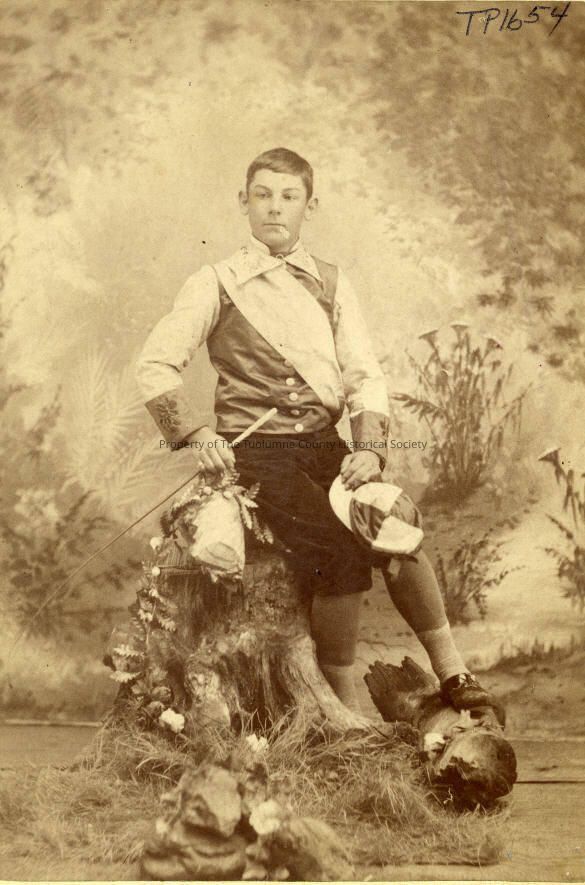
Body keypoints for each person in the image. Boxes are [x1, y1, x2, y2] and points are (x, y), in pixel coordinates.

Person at [136, 147, 493, 715]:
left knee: (395, 524)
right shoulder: (216, 281)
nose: (275, 208)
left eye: (289, 196)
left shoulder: (331, 281)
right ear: (244, 202)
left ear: (310, 205)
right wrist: (198, 435)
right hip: (259, 454)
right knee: (338, 551)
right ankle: (342, 709)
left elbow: (364, 374)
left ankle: (453, 671)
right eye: (263, 195)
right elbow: (156, 365)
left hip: (326, 445)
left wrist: (370, 451)